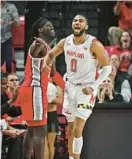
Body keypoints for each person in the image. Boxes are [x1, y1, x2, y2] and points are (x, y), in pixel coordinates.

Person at [38, 14, 112, 159]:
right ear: (72, 25)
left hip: (86, 89)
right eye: (75, 21)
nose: (77, 23)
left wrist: (94, 86)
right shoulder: (66, 42)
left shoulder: (94, 44)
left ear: (86, 26)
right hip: (70, 88)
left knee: (78, 129)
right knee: (71, 128)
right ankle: (72, 157)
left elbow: (107, 68)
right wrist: (46, 66)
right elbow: (50, 54)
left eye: (81, 21)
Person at [19, 17, 65, 159]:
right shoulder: (38, 45)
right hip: (35, 90)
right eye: (48, 26)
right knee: (40, 131)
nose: (52, 28)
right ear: (40, 30)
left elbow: (53, 73)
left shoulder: (48, 48)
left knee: (32, 130)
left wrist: (66, 86)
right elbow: (34, 50)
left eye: (52, 26)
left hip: (32, 90)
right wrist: (37, 47)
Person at [44, 79, 63, 159]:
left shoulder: (57, 87)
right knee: (43, 143)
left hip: (51, 115)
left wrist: (48, 98)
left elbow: (59, 101)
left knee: (50, 144)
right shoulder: (40, 84)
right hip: (41, 115)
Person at [1, 0, 20, 73]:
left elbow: (17, 22)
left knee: (9, 63)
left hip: (6, 39)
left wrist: (12, 22)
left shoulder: (11, 7)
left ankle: (9, 79)